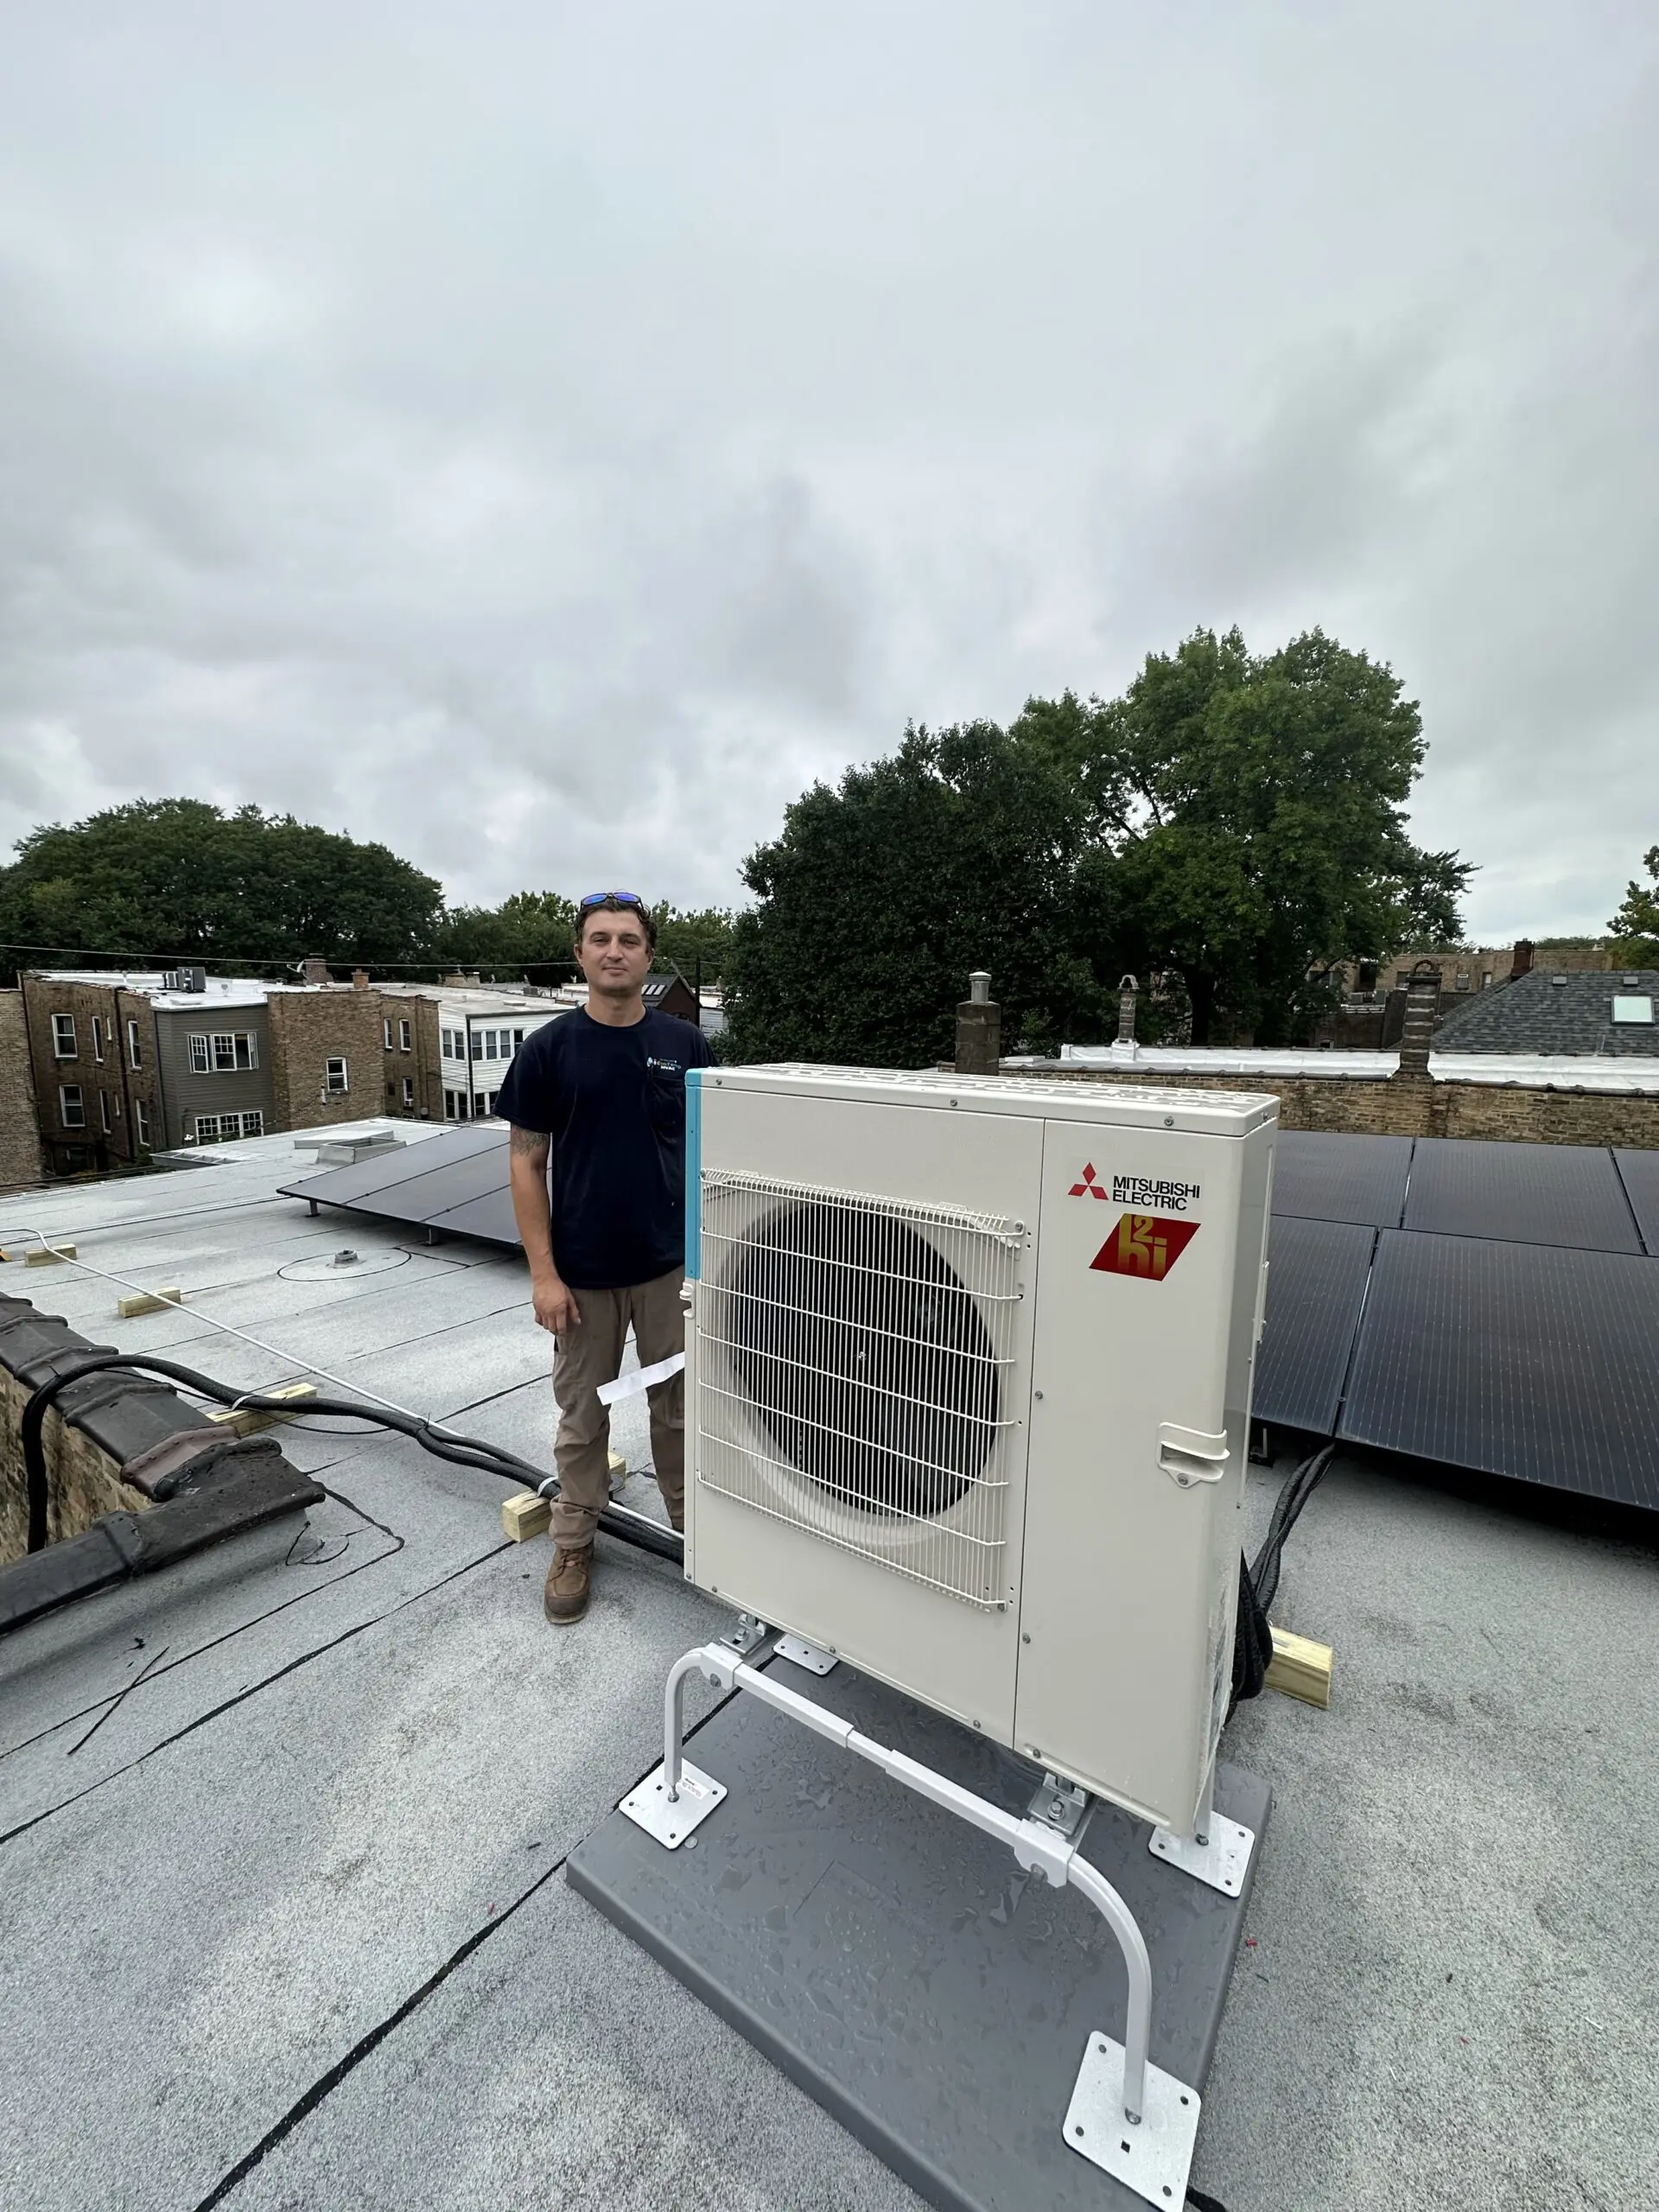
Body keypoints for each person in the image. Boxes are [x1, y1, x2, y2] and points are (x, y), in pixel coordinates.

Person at [498, 892, 711, 1624]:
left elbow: (712, 1152)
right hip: (582, 1277)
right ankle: (575, 1538)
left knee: (681, 1409)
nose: (613, 950)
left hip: (670, 1271)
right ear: (580, 956)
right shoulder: (549, 1050)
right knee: (582, 1416)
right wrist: (544, 1275)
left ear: (649, 956)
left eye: (628, 940)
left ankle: (698, 1532)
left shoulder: (685, 1045)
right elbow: (526, 1164)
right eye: (599, 939)